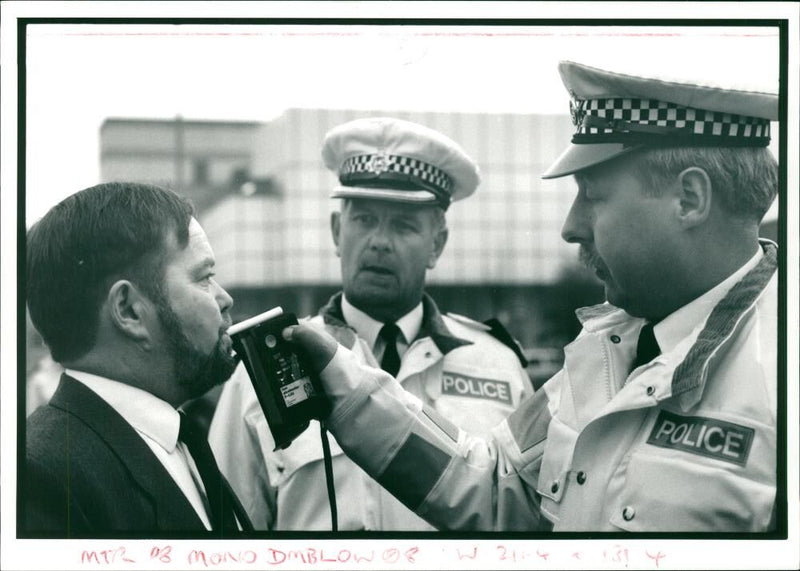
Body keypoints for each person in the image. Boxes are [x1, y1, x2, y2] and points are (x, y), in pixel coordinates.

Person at [283, 61, 779, 532]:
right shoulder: (601, 356)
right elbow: (496, 484)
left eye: (593, 195)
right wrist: (345, 385)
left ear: (688, 199)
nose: (571, 227)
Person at [208, 117, 533, 531]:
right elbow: (226, 532)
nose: (379, 240)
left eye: (403, 224)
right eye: (363, 220)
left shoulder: (498, 365)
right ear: (337, 232)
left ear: (438, 244)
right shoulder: (266, 369)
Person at [24, 182, 252, 535]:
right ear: (129, 310)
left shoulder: (177, 437)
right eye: (204, 278)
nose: (224, 299)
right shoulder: (41, 478)